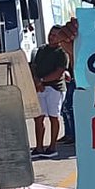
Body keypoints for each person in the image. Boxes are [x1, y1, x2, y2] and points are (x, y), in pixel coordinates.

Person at [30, 25, 70, 159]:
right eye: (51, 34)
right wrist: (36, 81)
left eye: (55, 35)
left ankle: (52, 147)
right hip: (40, 88)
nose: (51, 37)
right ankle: (39, 147)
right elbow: (34, 66)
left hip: (55, 88)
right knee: (38, 117)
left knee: (54, 117)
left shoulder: (62, 53)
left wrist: (42, 80)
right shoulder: (41, 50)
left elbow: (59, 73)